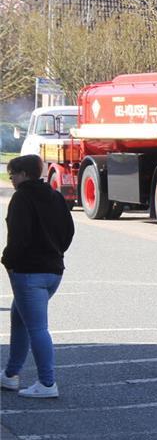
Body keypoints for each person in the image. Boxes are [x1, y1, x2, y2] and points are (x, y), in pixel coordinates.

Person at [2, 155, 74, 398]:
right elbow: (68, 231)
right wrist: (56, 251)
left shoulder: (22, 197)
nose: (11, 179)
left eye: (13, 174)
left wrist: (8, 261)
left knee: (37, 328)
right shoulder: (55, 196)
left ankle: (47, 383)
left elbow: (18, 236)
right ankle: (10, 374)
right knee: (19, 318)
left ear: (24, 174)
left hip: (28, 272)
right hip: (53, 270)